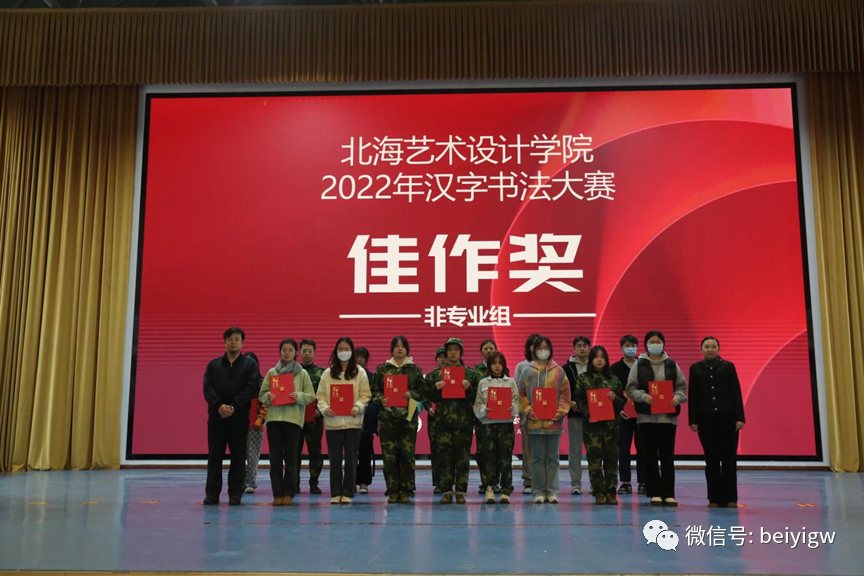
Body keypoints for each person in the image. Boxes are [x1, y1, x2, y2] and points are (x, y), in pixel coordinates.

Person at [626, 331, 687, 507]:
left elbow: (682, 388)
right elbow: (630, 388)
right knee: (650, 456)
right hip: (647, 418)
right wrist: (642, 396)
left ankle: (668, 493)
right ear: (646, 345)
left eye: (658, 341)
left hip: (668, 418)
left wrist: (678, 397)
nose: (655, 344)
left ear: (663, 344)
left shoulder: (672, 364)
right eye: (651, 342)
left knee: (667, 457)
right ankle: (654, 492)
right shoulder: (639, 364)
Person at [202, 327, 259, 505]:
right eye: (230, 339)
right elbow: (207, 388)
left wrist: (234, 406)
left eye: (237, 339)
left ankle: (235, 493)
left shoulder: (250, 365)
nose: (233, 342)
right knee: (215, 456)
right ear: (225, 342)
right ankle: (212, 493)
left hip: (239, 418)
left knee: (238, 456)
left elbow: (251, 388)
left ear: (242, 342)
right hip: (217, 417)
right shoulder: (214, 365)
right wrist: (219, 406)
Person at [689, 336, 745, 508]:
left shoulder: (728, 367)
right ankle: (713, 498)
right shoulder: (695, 368)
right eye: (707, 346)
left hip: (728, 419)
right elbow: (693, 395)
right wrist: (693, 420)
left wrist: (740, 417)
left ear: (718, 348)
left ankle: (731, 498)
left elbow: (736, 392)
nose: (710, 349)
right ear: (701, 349)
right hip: (706, 421)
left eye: (713, 346)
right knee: (711, 460)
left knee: (729, 459)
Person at [259, 339, 315, 506]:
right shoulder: (272, 372)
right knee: (275, 460)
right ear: (280, 352)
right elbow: (261, 394)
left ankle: (289, 493)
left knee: (291, 459)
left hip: (293, 421)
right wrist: (268, 397)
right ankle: (277, 493)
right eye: (284, 350)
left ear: (295, 353)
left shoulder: (301, 373)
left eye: (290, 350)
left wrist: (298, 396)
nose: (287, 353)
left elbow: (310, 396)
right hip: (274, 421)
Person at [425, 337, 481, 504]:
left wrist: (469, 388)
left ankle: (461, 491)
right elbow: (426, 396)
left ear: (461, 352)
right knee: (444, 457)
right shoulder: (436, 375)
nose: (453, 353)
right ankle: (446, 490)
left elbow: (478, 399)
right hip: (442, 422)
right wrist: (435, 389)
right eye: (450, 350)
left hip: (463, 422)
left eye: (456, 349)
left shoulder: (471, 374)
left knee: (462, 458)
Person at [316, 337, 372, 504]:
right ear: (336, 352)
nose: (343, 352)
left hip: (353, 421)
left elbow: (366, 395)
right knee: (334, 459)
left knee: (351, 459)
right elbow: (320, 396)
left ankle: (348, 491)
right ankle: (335, 492)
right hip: (333, 422)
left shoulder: (360, 372)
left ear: (352, 351)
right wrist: (325, 409)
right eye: (340, 349)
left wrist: (358, 407)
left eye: (346, 349)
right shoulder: (327, 373)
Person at [371, 336, 426, 504]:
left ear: (407, 349)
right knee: (389, 457)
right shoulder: (383, 370)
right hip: (387, 419)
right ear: (392, 349)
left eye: (403, 346)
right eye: (396, 346)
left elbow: (423, 391)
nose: (400, 349)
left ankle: (406, 491)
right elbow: (374, 391)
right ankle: (393, 491)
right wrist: (381, 399)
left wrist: (412, 394)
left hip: (408, 418)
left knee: (407, 456)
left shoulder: (414, 370)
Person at [516, 336, 570, 504]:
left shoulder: (559, 371)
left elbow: (565, 394)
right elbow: (520, 394)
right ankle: (538, 491)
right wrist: (527, 410)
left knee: (553, 459)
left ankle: (552, 491)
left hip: (554, 423)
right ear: (534, 350)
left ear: (550, 350)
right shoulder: (527, 371)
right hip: (534, 423)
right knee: (537, 459)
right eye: (540, 348)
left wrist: (560, 412)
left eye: (546, 348)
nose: (543, 351)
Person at [573, 346, 626, 505]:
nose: (599, 360)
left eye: (602, 357)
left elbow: (622, 402)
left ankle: (611, 492)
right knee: (594, 461)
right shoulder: (583, 378)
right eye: (596, 357)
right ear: (591, 360)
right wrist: (589, 413)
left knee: (611, 460)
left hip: (611, 427)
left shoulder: (614, 379)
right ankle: (599, 492)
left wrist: (614, 398)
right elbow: (579, 400)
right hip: (592, 428)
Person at [473, 352, 519, 504]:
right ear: (489, 365)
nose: (497, 366)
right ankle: (489, 488)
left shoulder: (510, 382)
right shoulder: (483, 383)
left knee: (505, 458)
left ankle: (506, 490)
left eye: (500, 363)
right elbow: (478, 404)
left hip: (505, 425)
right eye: (494, 363)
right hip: (488, 425)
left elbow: (517, 402)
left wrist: (512, 408)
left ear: (504, 365)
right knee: (488, 458)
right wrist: (484, 410)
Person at [611, 335, 647, 495]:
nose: (630, 348)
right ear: (621, 348)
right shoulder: (615, 368)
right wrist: (619, 409)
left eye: (633, 345)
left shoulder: (643, 365)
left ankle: (643, 481)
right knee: (623, 449)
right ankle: (625, 482)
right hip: (623, 414)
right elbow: (612, 391)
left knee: (643, 448)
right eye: (627, 345)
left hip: (642, 413)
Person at [562, 335, 590, 495]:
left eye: (585, 345)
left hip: (594, 415)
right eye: (579, 345)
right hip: (575, 414)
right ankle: (576, 484)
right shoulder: (567, 368)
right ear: (574, 349)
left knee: (595, 450)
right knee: (575, 450)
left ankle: (595, 483)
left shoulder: (595, 366)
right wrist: (569, 402)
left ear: (589, 348)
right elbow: (561, 390)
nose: (582, 348)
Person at [513, 333, 540, 495]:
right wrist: (525, 410)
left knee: (545, 450)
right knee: (528, 449)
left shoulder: (551, 366)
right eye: (533, 344)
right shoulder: (522, 366)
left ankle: (544, 481)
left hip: (546, 415)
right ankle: (529, 481)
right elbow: (516, 390)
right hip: (528, 414)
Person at [297, 339, 325, 494]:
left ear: (314, 353)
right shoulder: (292, 371)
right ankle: (294, 483)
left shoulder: (322, 373)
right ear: (299, 352)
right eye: (304, 351)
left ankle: (314, 483)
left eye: (310, 351)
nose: (307, 354)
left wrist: (320, 411)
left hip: (314, 418)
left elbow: (326, 395)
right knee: (293, 452)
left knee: (315, 452)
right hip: (295, 418)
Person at [472, 339, 497, 494]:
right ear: (481, 351)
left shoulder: (502, 369)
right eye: (486, 348)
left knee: (497, 450)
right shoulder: (475, 371)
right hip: (482, 418)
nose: (488, 351)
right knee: (482, 451)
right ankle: (485, 482)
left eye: (491, 348)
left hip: (499, 418)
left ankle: (495, 482)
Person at [355, 347, 378, 495]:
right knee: (350, 455)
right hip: (349, 421)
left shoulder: (372, 378)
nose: (359, 360)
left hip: (366, 423)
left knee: (365, 454)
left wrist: (365, 414)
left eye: (362, 357)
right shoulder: (346, 377)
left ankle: (364, 482)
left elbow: (375, 400)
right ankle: (350, 481)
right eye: (357, 356)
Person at [243, 351, 266, 494]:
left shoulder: (262, 382)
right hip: (238, 424)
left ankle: (250, 482)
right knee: (239, 455)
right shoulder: (237, 381)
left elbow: (265, 404)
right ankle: (238, 481)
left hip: (255, 425)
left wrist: (260, 420)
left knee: (252, 456)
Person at [428, 346, 447, 493]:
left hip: (451, 417)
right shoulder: (431, 376)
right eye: (439, 357)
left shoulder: (460, 373)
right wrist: (428, 407)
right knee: (436, 450)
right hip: (434, 419)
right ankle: (438, 482)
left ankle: (451, 482)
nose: (442, 359)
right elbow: (423, 394)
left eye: (444, 356)